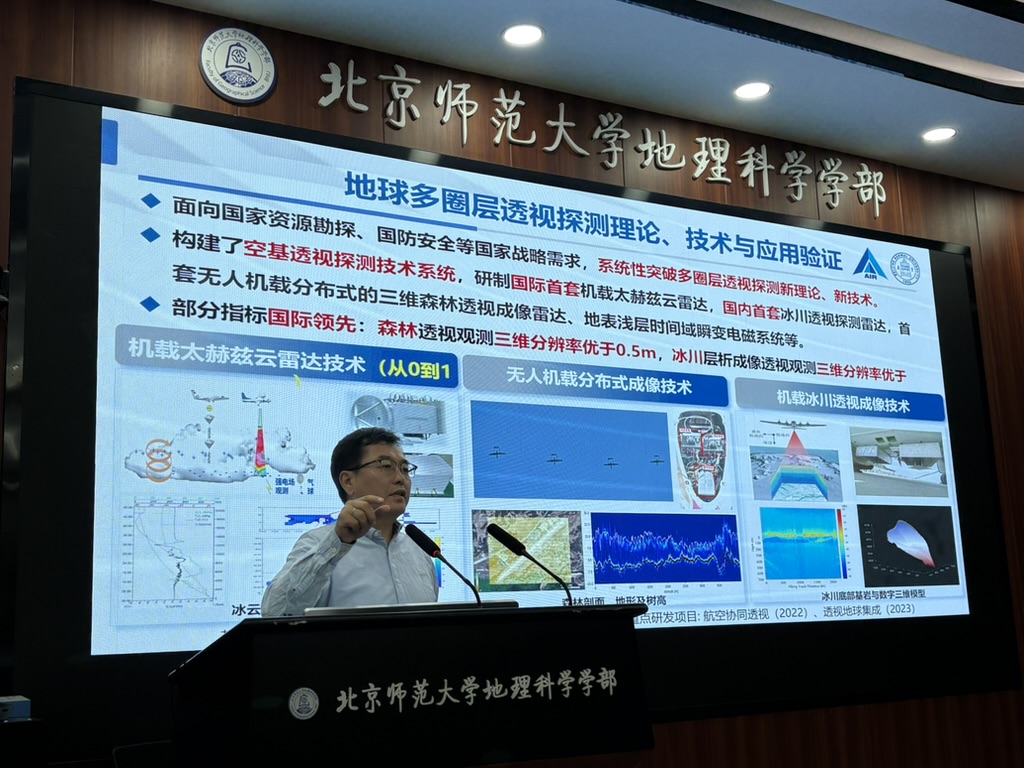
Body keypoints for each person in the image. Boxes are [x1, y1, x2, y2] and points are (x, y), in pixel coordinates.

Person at [261, 427, 438, 617]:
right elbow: (275, 613)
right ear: (348, 481)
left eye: (404, 469)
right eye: (386, 466)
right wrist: (339, 541)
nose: (400, 478)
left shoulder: (419, 552)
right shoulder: (318, 543)